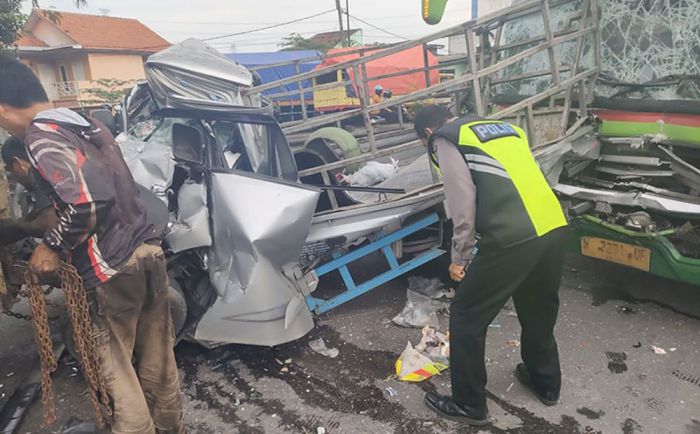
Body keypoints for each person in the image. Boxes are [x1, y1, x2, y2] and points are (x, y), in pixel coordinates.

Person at [0, 55, 183, 434]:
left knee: (115, 369)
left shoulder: (40, 136)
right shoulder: (86, 123)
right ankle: (170, 427)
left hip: (111, 265)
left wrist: (50, 246)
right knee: (159, 359)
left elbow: (88, 201)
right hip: (148, 250)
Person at [414, 105, 568, 426]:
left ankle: (470, 405)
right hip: (553, 225)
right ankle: (546, 383)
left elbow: (462, 202)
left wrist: (459, 258)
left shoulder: (445, 139)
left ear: (428, 133)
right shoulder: (505, 129)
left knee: (466, 314)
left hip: (513, 236)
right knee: (538, 306)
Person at [0, 137, 58, 245]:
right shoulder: (54, 165)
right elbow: (40, 213)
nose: (15, 177)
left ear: (17, 164)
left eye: (11, 171)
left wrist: (18, 227)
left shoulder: (39, 174)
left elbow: (47, 225)